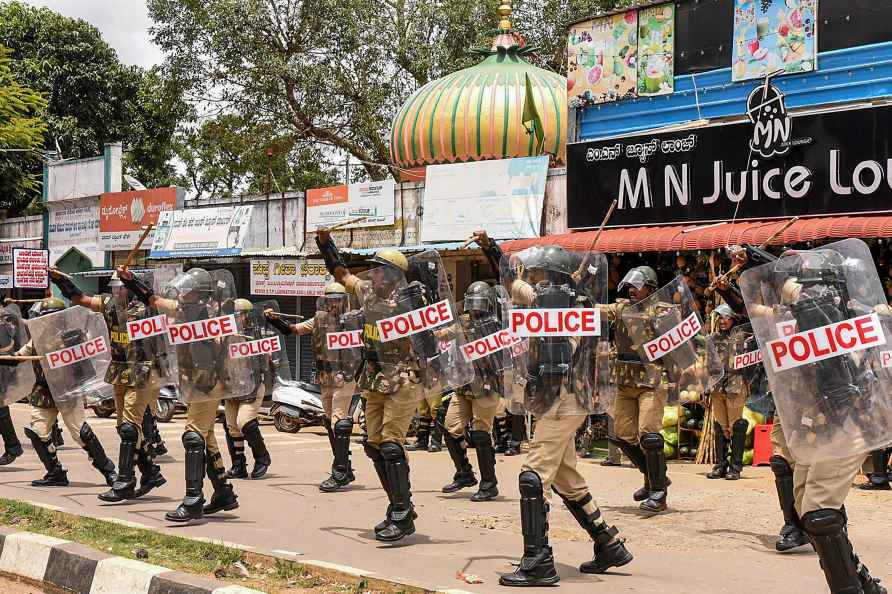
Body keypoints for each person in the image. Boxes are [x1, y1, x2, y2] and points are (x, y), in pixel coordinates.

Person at [472, 231, 633, 587]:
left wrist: (568, 298)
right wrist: (490, 248)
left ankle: (538, 562)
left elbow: (566, 343)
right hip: (552, 399)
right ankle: (609, 544)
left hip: (565, 398)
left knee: (532, 478)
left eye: (540, 275)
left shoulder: (577, 308)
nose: (534, 280)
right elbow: (513, 283)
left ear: (555, 278)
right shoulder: (545, 302)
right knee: (566, 479)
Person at [737, 241, 888, 594]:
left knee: (820, 512)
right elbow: (775, 302)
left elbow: (809, 303)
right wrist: (753, 260)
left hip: (849, 417)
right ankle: (861, 581)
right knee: (809, 506)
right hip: (821, 419)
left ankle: (850, 588)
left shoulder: (836, 310)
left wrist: (776, 271)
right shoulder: (818, 309)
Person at [316, 231, 433, 542]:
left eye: (381, 269)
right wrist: (325, 243)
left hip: (404, 377)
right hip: (374, 376)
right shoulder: (367, 291)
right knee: (374, 445)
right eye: (375, 269)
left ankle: (401, 515)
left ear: (394, 274)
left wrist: (422, 296)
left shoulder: (410, 298)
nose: (375, 274)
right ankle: (399, 507)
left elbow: (429, 335)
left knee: (393, 445)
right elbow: (340, 273)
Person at [118, 267, 242, 523]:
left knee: (192, 437)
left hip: (209, 382)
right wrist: (130, 281)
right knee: (206, 438)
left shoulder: (213, 315)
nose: (182, 293)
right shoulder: (181, 309)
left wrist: (213, 337)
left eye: (187, 290)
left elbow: (224, 347)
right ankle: (223, 492)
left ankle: (193, 500)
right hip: (192, 381)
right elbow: (153, 299)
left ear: (199, 293)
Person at [49, 269, 168, 502]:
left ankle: (124, 481)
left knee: (129, 427)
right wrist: (61, 279)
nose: (116, 290)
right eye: (115, 286)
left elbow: (152, 299)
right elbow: (80, 299)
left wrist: (133, 281)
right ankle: (151, 472)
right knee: (124, 427)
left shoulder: (149, 306)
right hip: (121, 370)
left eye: (121, 286)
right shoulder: (109, 303)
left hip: (145, 370)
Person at [0, 297, 116, 487]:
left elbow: (85, 366)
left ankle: (109, 471)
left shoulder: (73, 336)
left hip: (67, 391)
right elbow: (19, 356)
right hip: (44, 392)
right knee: (37, 432)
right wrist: (5, 358)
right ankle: (55, 473)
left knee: (81, 433)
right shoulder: (38, 337)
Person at [265, 282, 360, 492]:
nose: (334, 304)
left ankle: (340, 472)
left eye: (338, 300)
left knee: (339, 419)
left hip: (346, 375)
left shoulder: (355, 319)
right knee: (329, 422)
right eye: (330, 300)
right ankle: (345, 466)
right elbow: (292, 330)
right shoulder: (319, 319)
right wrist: (274, 319)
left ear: (345, 301)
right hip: (325, 376)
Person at [437, 281, 503, 502]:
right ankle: (464, 473)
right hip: (464, 385)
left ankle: (489, 483)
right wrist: (425, 332)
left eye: (479, 304)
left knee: (481, 434)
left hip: (487, 387)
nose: (475, 308)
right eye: (472, 304)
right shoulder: (463, 323)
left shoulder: (496, 324)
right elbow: (444, 334)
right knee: (450, 428)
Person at [221, 299, 273, 480]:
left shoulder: (256, 335)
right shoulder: (224, 335)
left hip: (252, 386)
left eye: (242, 315)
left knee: (244, 421)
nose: (239, 319)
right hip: (231, 387)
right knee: (231, 426)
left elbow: (267, 358)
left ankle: (262, 458)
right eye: (236, 315)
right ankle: (238, 465)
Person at [705, 304, 751, 481]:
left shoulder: (741, 337)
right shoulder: (711, 339)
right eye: (720, 317)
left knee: (736, 425)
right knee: (720, 425)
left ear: (733, 318)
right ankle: (720, 465)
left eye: (726, 317)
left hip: (735, 384)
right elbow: (707, 364)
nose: (723, 321)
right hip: (717, 386)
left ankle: (736, 466)